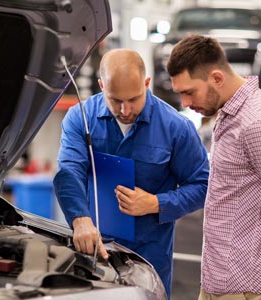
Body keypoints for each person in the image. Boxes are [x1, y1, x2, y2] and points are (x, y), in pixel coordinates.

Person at [53, 48, 209, 299]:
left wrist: (155, 203)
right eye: (115, 100)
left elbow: (202, 185)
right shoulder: (80, 118)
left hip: (150, 257)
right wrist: (79, 218)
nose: (125, 110)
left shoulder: (176, 128)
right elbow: (69, 170)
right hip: (93, 250)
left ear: (146, 84)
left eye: (134, 99)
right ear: (102, 85)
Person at [167, 34, 261, 300]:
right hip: (215, 281)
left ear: (217, 79)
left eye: (189, 92)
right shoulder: (229, 114)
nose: (184, 103)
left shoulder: (254, 122)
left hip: (243, 290)